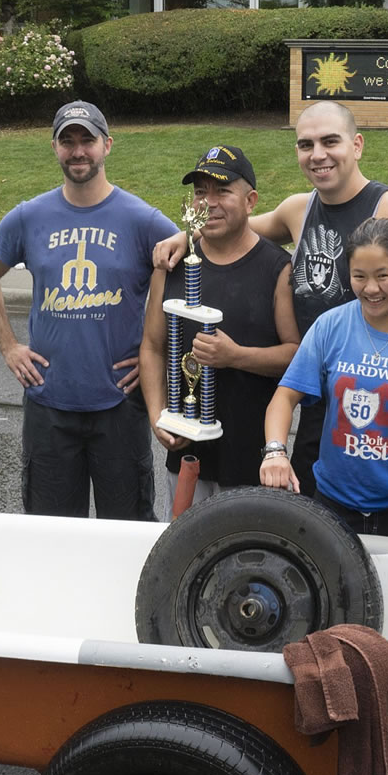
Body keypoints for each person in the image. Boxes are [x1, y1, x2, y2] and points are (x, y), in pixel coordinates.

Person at [155, 101, 388, 497]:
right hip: (315, 402)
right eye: (306, 144)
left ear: (357, 145)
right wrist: (185, 235)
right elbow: (231, 226)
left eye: (331, 141)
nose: (318, 155)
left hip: (377, 397)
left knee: (385, 509)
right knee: (318, 520)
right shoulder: (299, 209)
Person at [0, 100, 179, 520]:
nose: (78, 150)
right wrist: (10, 347)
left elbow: (191, 269)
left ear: (107, 145)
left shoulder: (141, 219)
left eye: (88, 140)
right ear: (54, 147)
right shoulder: (29, 217)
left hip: (119, 404)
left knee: (126, 532)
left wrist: (158, 356)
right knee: (51, 535)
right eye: (68, 141)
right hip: (50, 403)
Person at [261, 217, 388, 546]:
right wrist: (275, 452)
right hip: (332, 507)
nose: (371, 289)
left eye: (384, 275)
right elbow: (284, 398)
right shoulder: (331, 326)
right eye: (359, 276)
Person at [139, 144, 298, 514]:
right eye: (200, 192)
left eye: (223, 191)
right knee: (184, 560)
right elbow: (151, 346)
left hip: (251, 459)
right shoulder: (173, 262)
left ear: (250, 200)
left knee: (244, 562)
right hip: (186, 453)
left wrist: (236, 357)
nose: (208, 202)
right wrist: (157, 414)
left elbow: (297, 354)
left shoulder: (277, 268)